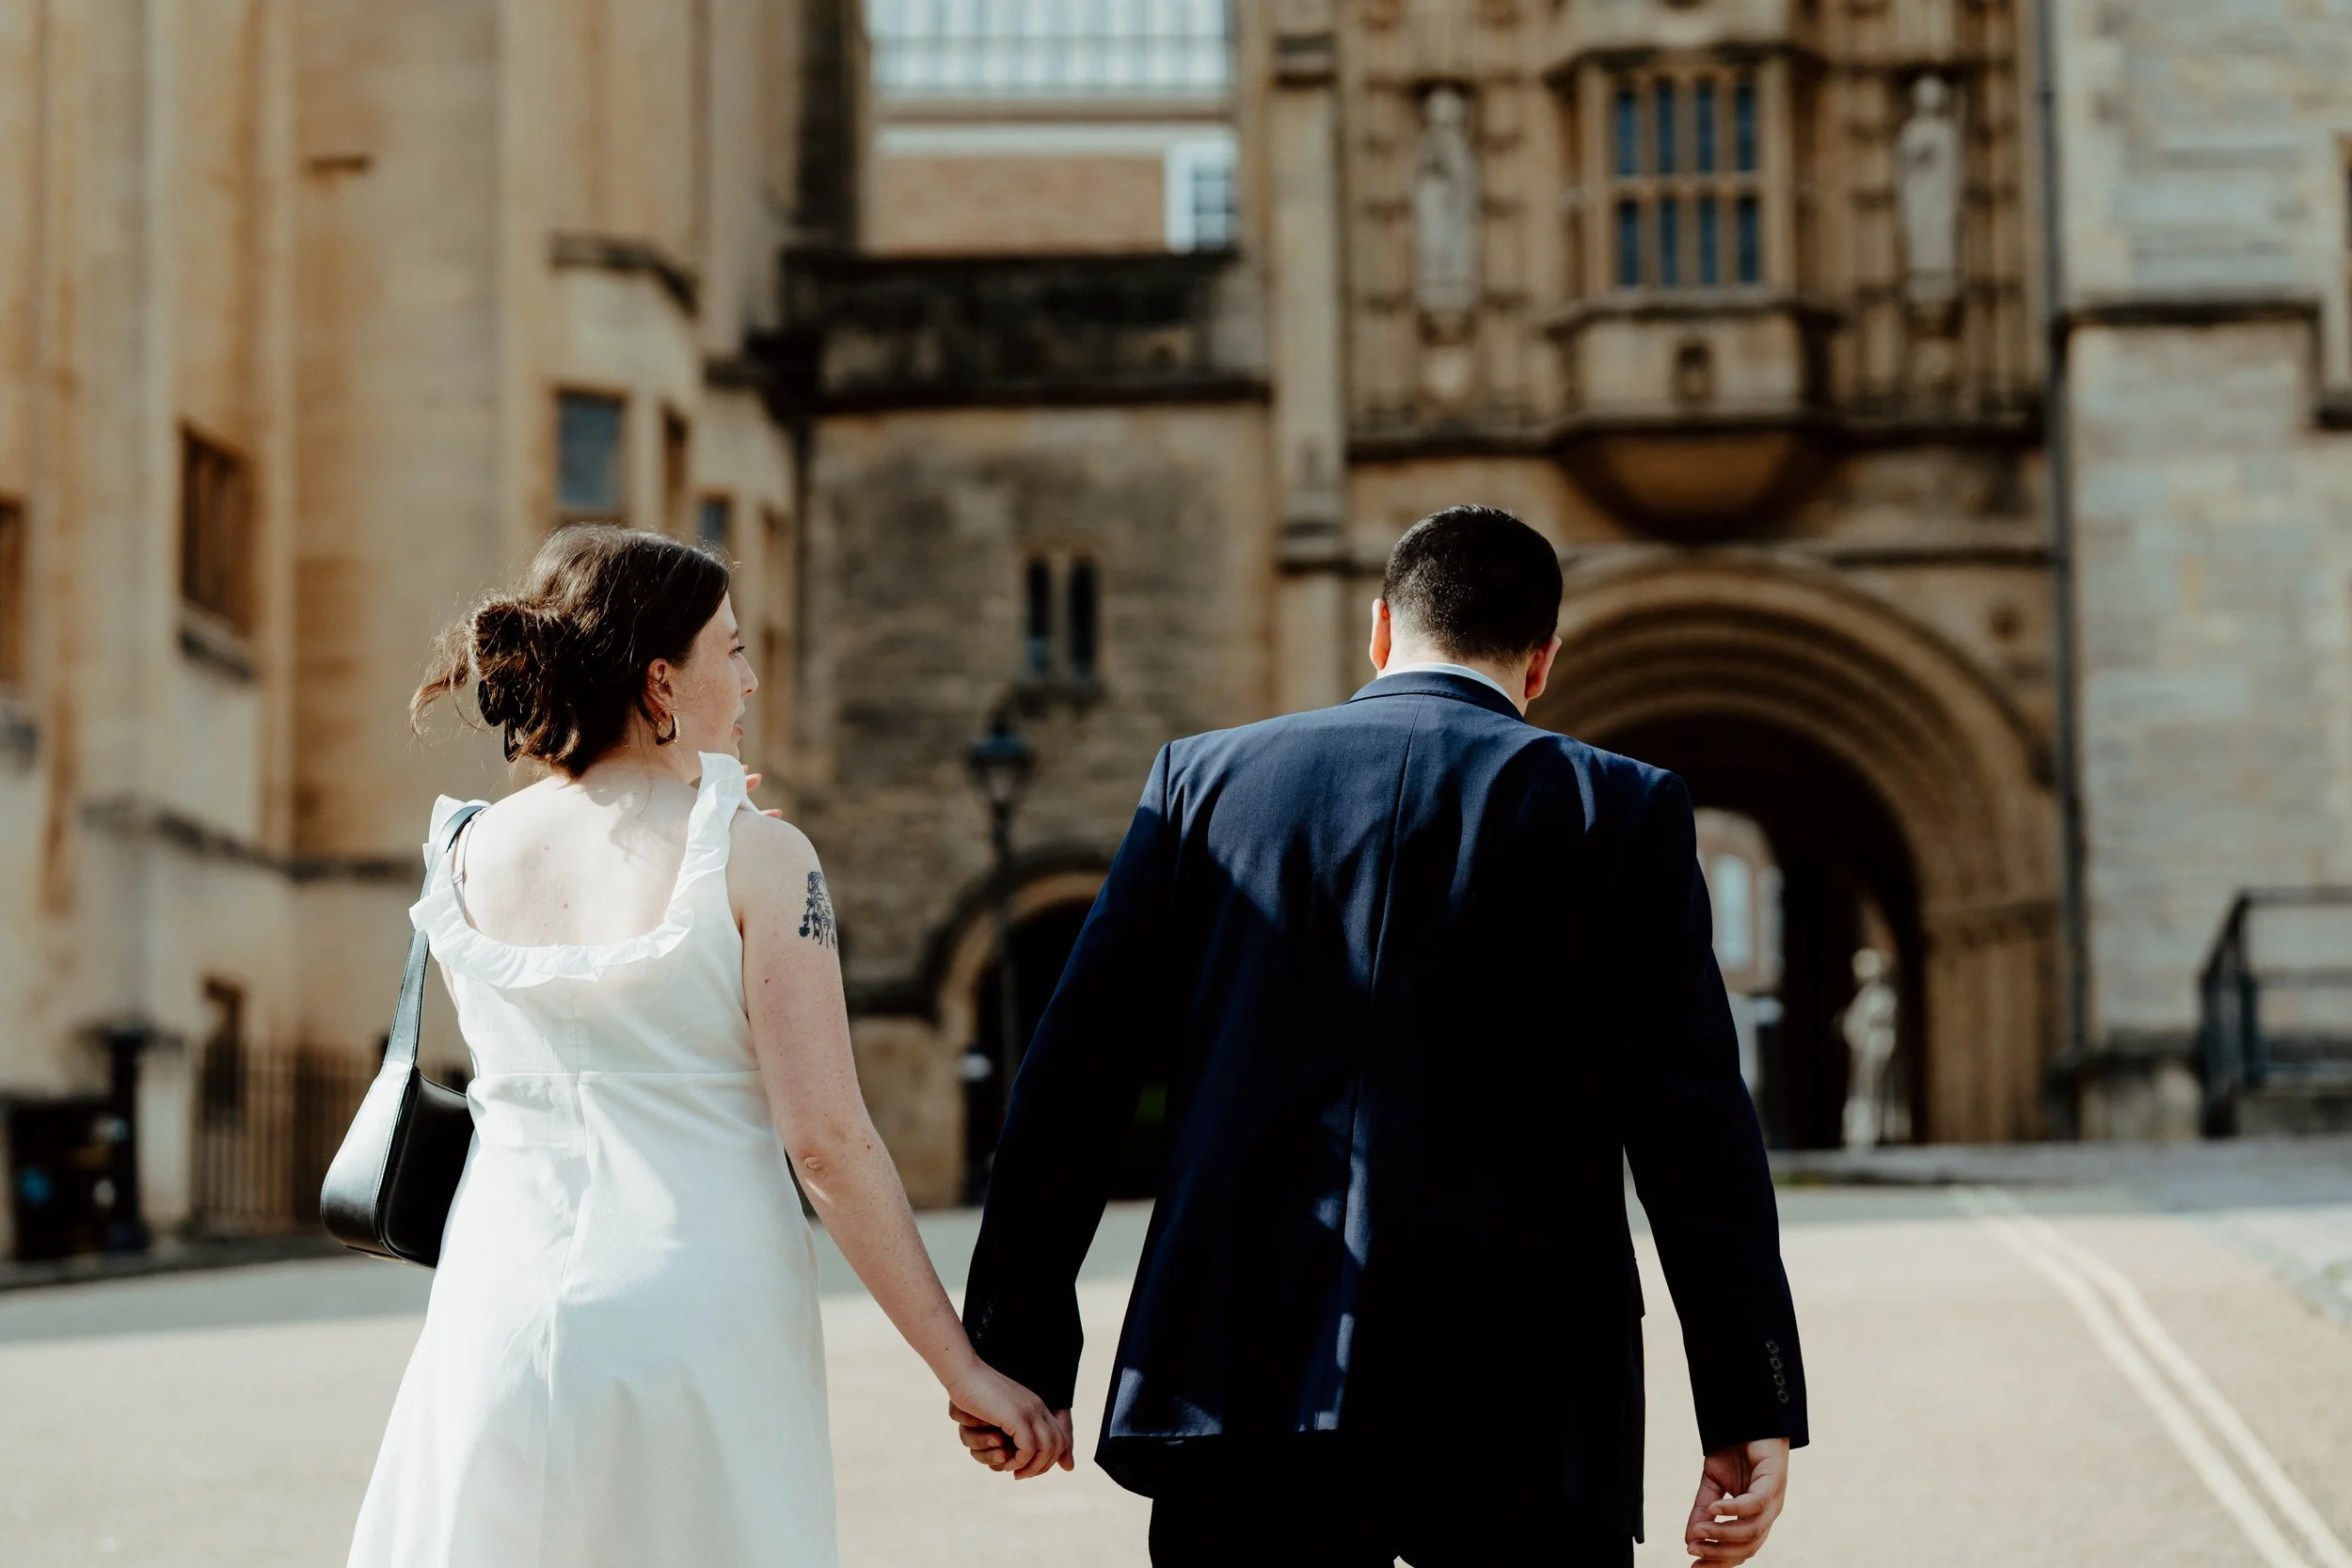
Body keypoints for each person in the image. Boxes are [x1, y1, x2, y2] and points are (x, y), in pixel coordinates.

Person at [952, 506, 1808, 1565]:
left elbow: (1070, 1083)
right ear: (1541, 661)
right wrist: (1746, 1398)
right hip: (1523, 1393)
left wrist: (1011, 1352)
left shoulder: (1201, 783)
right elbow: (1696, 1136)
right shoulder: (1621, 807)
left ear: (1377, 629)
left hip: (1236, 1372)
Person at [348, 525, 1066, 1568]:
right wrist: (962, 1365)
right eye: (729, 648)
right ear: (660, 682)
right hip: (699, 1314)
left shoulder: (464, 848)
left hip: (493, 1306)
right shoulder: (758, 855)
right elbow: (824, 1140)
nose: (751, 675)